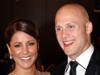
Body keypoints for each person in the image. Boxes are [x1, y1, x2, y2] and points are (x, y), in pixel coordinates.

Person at [51, 2, 100, 75]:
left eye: (70, 26)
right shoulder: (56, 71)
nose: (64, 35)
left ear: (88, 28)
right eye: (59, 29)